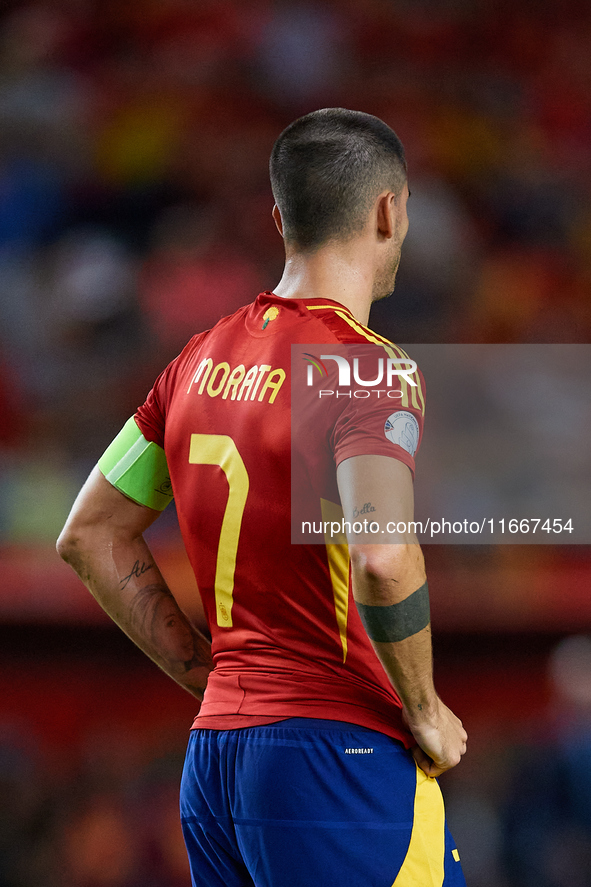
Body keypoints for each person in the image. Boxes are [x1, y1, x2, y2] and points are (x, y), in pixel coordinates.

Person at [58, 108, 467, 887]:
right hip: (337, 755)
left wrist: (206, 674)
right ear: (390, 210)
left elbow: (90, 534)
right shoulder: (364, 367)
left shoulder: (195, 360)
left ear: (281, 217)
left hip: (217, 762)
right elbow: (382, 556)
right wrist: (423, 710)